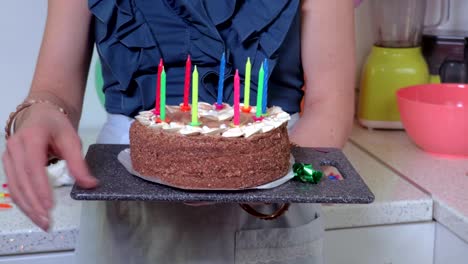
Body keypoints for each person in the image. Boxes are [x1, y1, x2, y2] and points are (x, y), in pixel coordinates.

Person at [2, 0, 356, 263]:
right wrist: (38, 115)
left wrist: (243, 168)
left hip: (269, 206)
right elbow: (53, 91)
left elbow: (330, 106)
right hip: (129, 208)